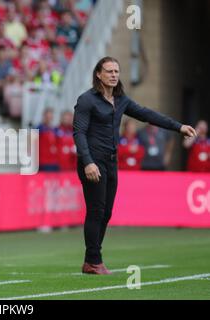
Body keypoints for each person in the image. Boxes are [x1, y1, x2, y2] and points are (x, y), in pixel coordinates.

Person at [73, 57, 196, 275]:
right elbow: (79, 133)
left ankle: (90, 260)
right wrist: (88, 162)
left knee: (107, 212)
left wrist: (179, 127)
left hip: (111, 161)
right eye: (109, 71)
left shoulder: (121, 100)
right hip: (93, 161)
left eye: (117, 71)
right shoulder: (86, 100)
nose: (113, 75)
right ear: (98, 74)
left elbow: (148, 114)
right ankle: (94, 260)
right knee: (96, 210)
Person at [37, 108, 60, 172]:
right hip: (43, 161)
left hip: (55, 161)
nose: (49, 118)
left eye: (50, 116)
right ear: (44, 116)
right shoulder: (39, 128)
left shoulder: (55, 129)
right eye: (47, 116)